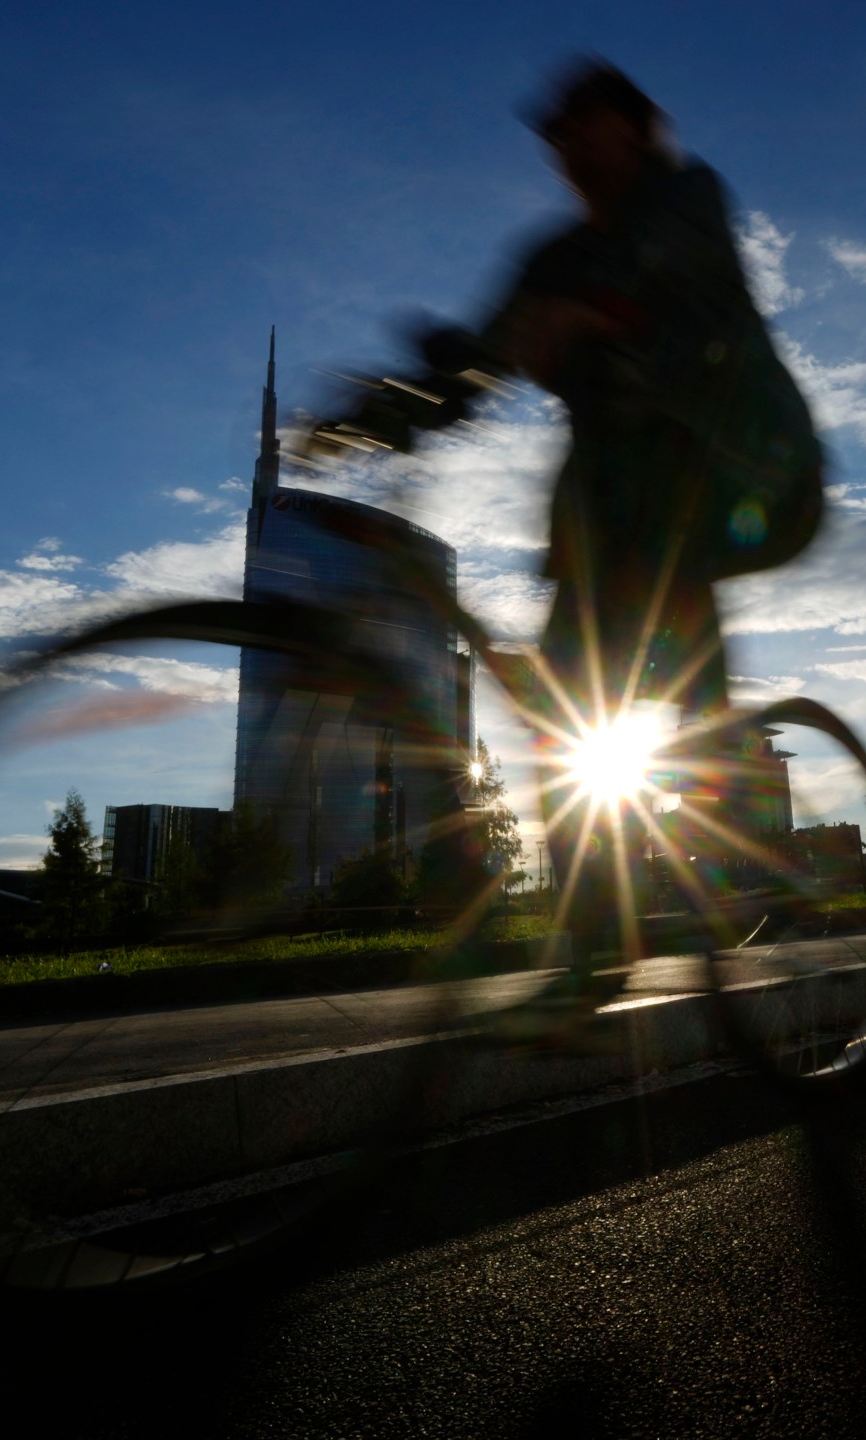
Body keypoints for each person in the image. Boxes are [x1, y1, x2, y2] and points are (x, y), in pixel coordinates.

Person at [311, 59, 823, 974]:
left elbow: (660, 269)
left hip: (741, 470)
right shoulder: (552, 258)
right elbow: (473, 365)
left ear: (640, 128)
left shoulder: (687, 196)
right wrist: (379, 415)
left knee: (644, 642)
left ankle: (732, 856)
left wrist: (585, 313)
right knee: (567, 712)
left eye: (582, 123)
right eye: (554, 134)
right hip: (613, 504)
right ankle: (605, 939)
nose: (564, 146)